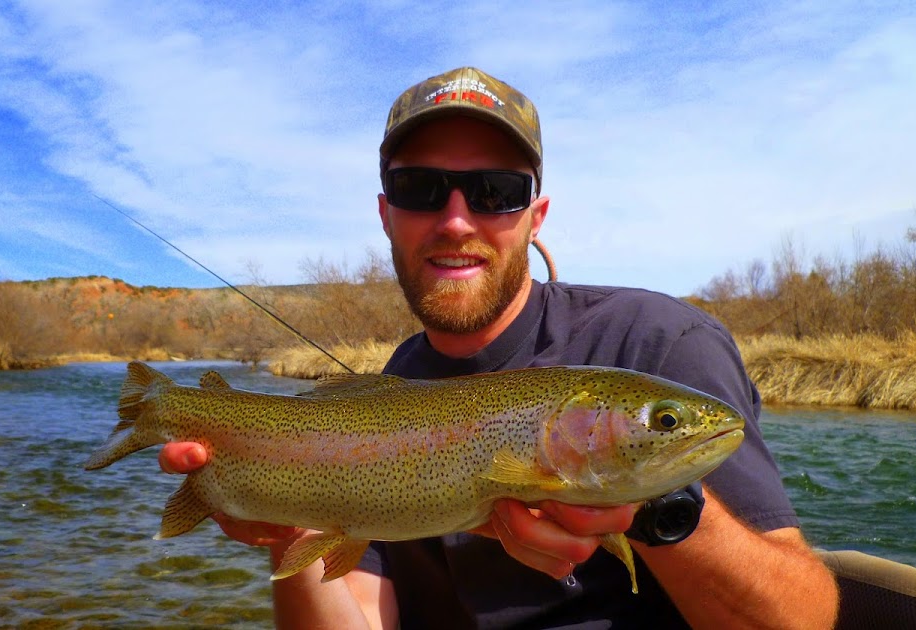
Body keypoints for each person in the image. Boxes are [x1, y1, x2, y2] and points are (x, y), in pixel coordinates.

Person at [160, 67, 839, 629]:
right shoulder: (394, 383)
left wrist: (658, 505)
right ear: (385, 214)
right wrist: (290, 528)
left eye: (495, 192)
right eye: (420, 188)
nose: (456, 220)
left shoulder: (656, 342)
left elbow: (801, 621)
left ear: (535, 215)